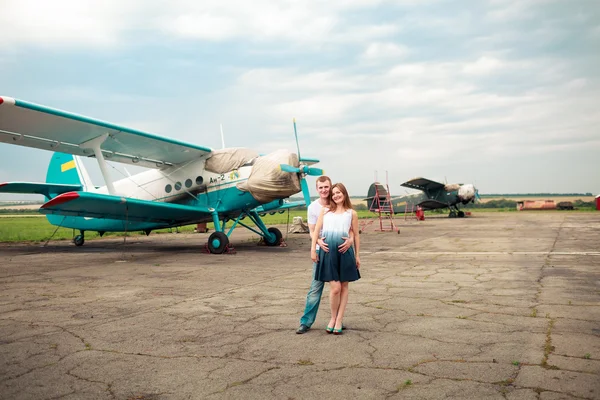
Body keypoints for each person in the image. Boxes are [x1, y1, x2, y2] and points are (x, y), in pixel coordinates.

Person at [296, 176, 354, 334]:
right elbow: (312, 230)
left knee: (339, 288)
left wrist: (351, 240)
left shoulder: (337, 203)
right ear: (317, 189)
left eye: (326, 187)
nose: (324, 190)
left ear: (330, 187)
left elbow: (349, 227)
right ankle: (306, 322)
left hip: (339, 250)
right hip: (323, 251)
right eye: (320, 188)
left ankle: (337, 320)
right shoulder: (314, 208)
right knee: (316, 288)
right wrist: (316, 245)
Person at [311, 182, 360, 335]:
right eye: (334, 194)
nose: (336, 195)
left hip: (345, 253)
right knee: (335, 289)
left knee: (344, 287)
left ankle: (339, 320)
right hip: (327, 253)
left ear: (344, 194)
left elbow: (356, 234)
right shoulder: (325, 211)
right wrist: (313, 249)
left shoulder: (351, 213)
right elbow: (316, 231)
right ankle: (332, 318)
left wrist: (357, 255)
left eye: (339, 192)